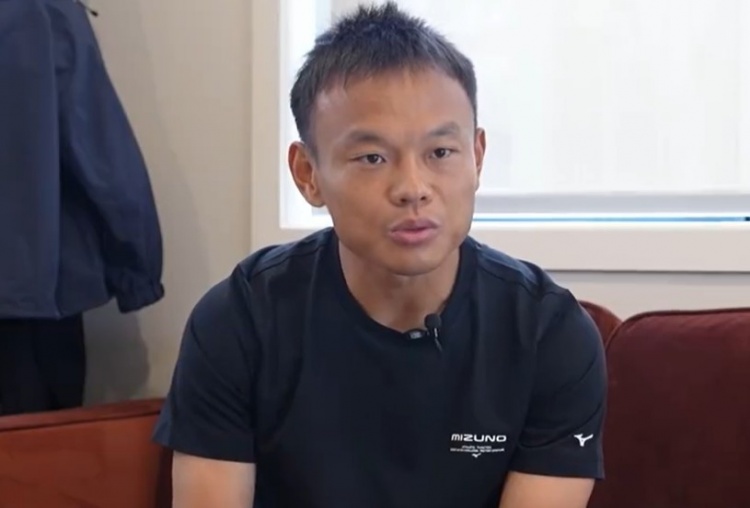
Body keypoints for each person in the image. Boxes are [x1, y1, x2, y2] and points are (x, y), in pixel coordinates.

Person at [152, 3, 607, 507]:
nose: (413, 188)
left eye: (440, 153)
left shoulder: (548, 333)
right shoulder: (240, 321)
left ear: (477, 157)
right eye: (372, 157)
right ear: (307, 174)